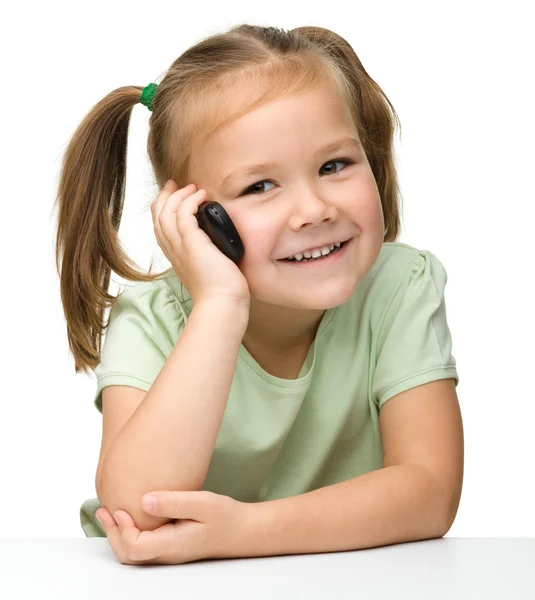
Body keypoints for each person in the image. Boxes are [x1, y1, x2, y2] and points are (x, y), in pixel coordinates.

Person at [53, 24, 460, 541]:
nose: (314, 210)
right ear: (196, 216)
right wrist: (219, 306)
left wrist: (242, 532)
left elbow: (430, 492)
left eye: (334, 164)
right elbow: (140, 512)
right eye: (260, 185)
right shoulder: (153, 319)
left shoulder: (399, 287)